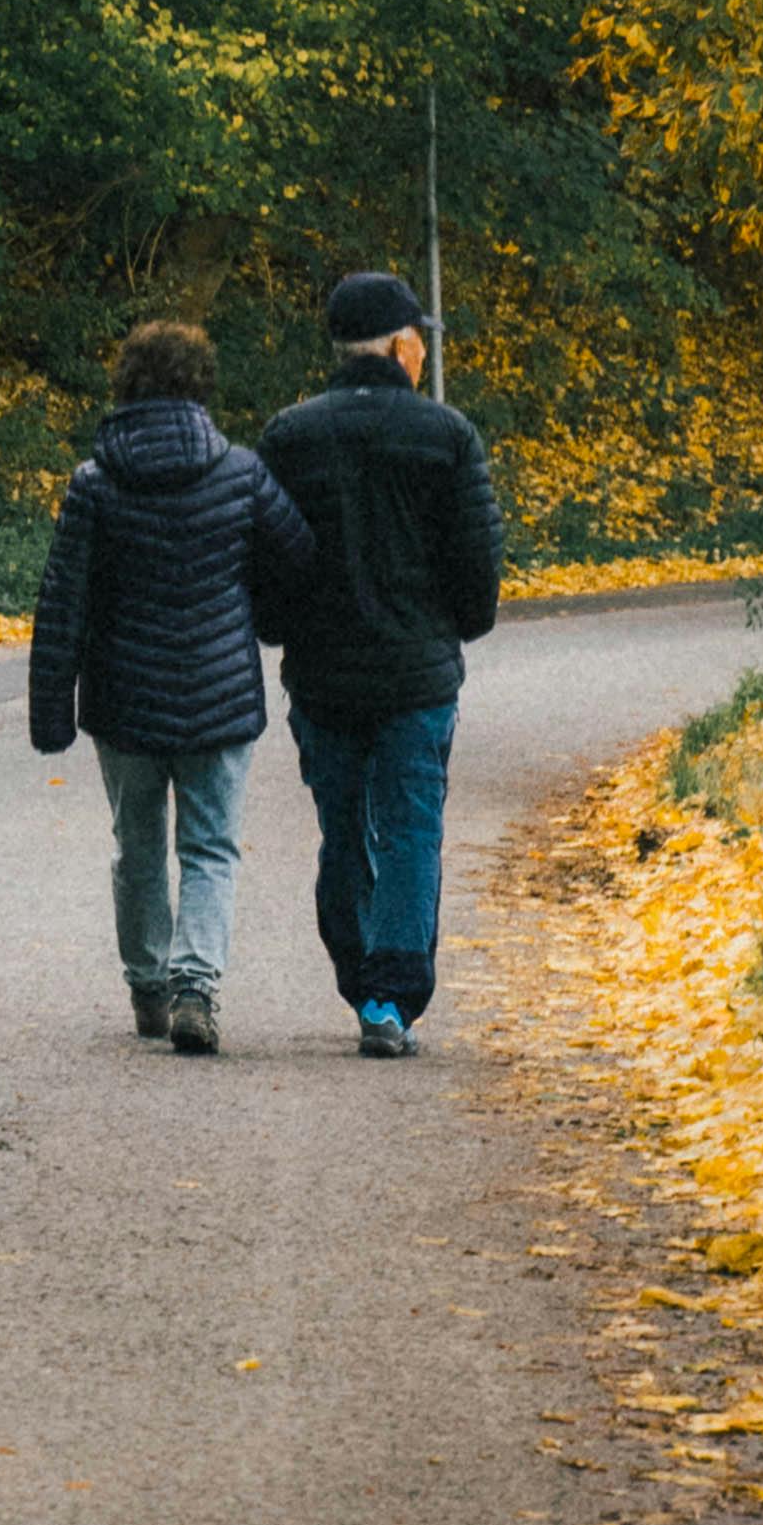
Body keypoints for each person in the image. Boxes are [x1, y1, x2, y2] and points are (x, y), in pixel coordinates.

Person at [27, 319, 312, 1056]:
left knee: (138, 847)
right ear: (200, 388)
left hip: (124, 703)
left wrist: (52, 712)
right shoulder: (241, 473)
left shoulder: (94, 484)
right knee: (211, 848)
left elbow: (65, 602)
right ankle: (196, 986)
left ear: (126, 386)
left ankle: (149, 986)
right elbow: (299, 563)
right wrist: (265, 623)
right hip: (219, 698)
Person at [258, 267, 504, 1058]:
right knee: (409, 827)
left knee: (342, 828)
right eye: (420, 341)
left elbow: (266, 560)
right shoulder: (447, 436)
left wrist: (284, 629)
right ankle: (391, 997)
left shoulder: (289, 436)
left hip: (323, 676)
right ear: (402, 346)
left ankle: (360, 974)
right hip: (416, 676)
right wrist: (457, 627)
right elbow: (477, 567)